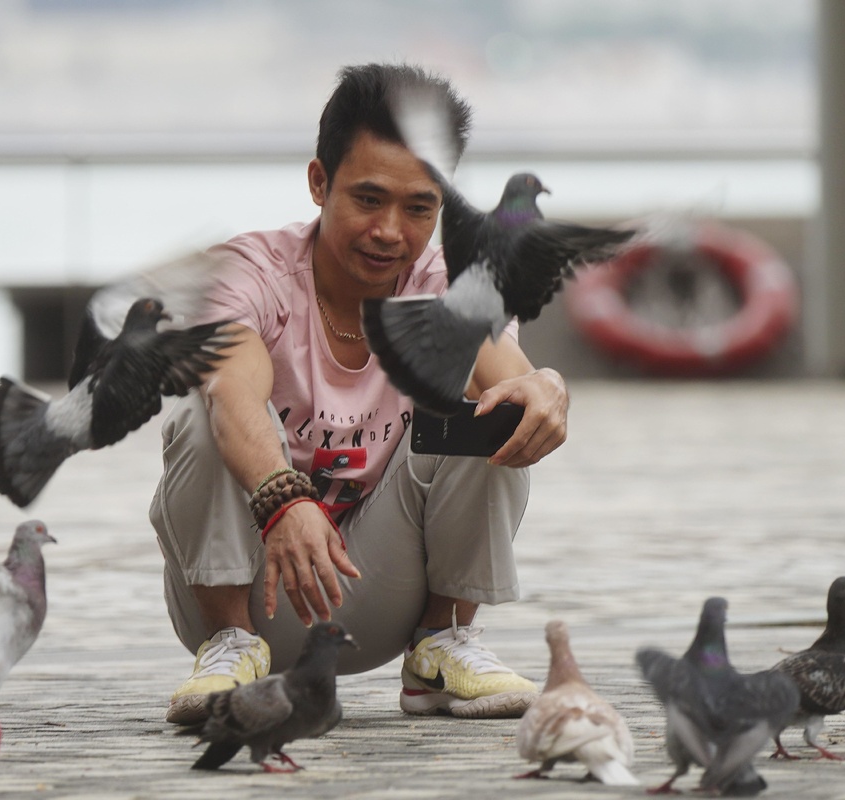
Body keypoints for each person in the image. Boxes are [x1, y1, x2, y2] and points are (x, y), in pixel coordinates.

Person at [149, 63, 570, 726]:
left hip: (379, 592)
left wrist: (545, 387)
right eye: (369, 200)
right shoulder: (247, 272)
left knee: (491, 408)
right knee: (200, 412)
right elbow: (233, 388)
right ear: (320, 182)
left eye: (419, 207)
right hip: (252, 588)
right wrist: (283, 500)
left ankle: (442, 644)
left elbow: (506, 371)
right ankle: (228, 647)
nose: (391, 232)